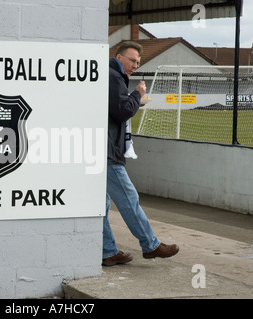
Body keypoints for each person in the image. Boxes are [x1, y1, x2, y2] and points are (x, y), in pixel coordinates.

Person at [102, 41, 179, 266]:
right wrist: (137, 94)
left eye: (138, 62)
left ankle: (107, 251)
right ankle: (150, 245)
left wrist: (133, 101)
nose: (135, 65)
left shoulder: (109, 75)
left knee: (101, 205)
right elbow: (122, 111)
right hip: (108, 151)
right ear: (118, 56)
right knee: (129, 199)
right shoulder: (113, 76)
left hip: (99, 149)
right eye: (132, 60)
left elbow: (115, 107)